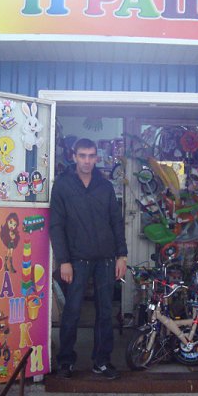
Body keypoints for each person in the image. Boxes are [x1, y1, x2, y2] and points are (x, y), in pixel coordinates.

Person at [50, 138, 128, 380]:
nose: (87, 160)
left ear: (96, 157)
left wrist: (122, 255)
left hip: (106, 259)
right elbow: (56, 225)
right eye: (82, 155)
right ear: (74, 156)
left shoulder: (105, 186)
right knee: (72, 311)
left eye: (91, 156)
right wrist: (63, 260)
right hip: (76, 260)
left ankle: (102, 361)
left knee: (105, 312)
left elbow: (116, 222)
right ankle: (65, 361)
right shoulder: (62, 185)